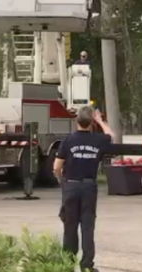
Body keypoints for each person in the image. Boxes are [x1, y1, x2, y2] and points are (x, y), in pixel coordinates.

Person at [54, 106, 113, 272]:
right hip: (88, 187)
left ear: (76, 120)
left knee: (70, 227)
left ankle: (68, 264)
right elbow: (111, 136)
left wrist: (62, 181)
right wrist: (101, 120)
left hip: (71, 185)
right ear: (92, 122)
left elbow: (57, 166)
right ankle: (87, 265)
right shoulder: (98, 140)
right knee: (87, 227)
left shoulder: (68, 140)